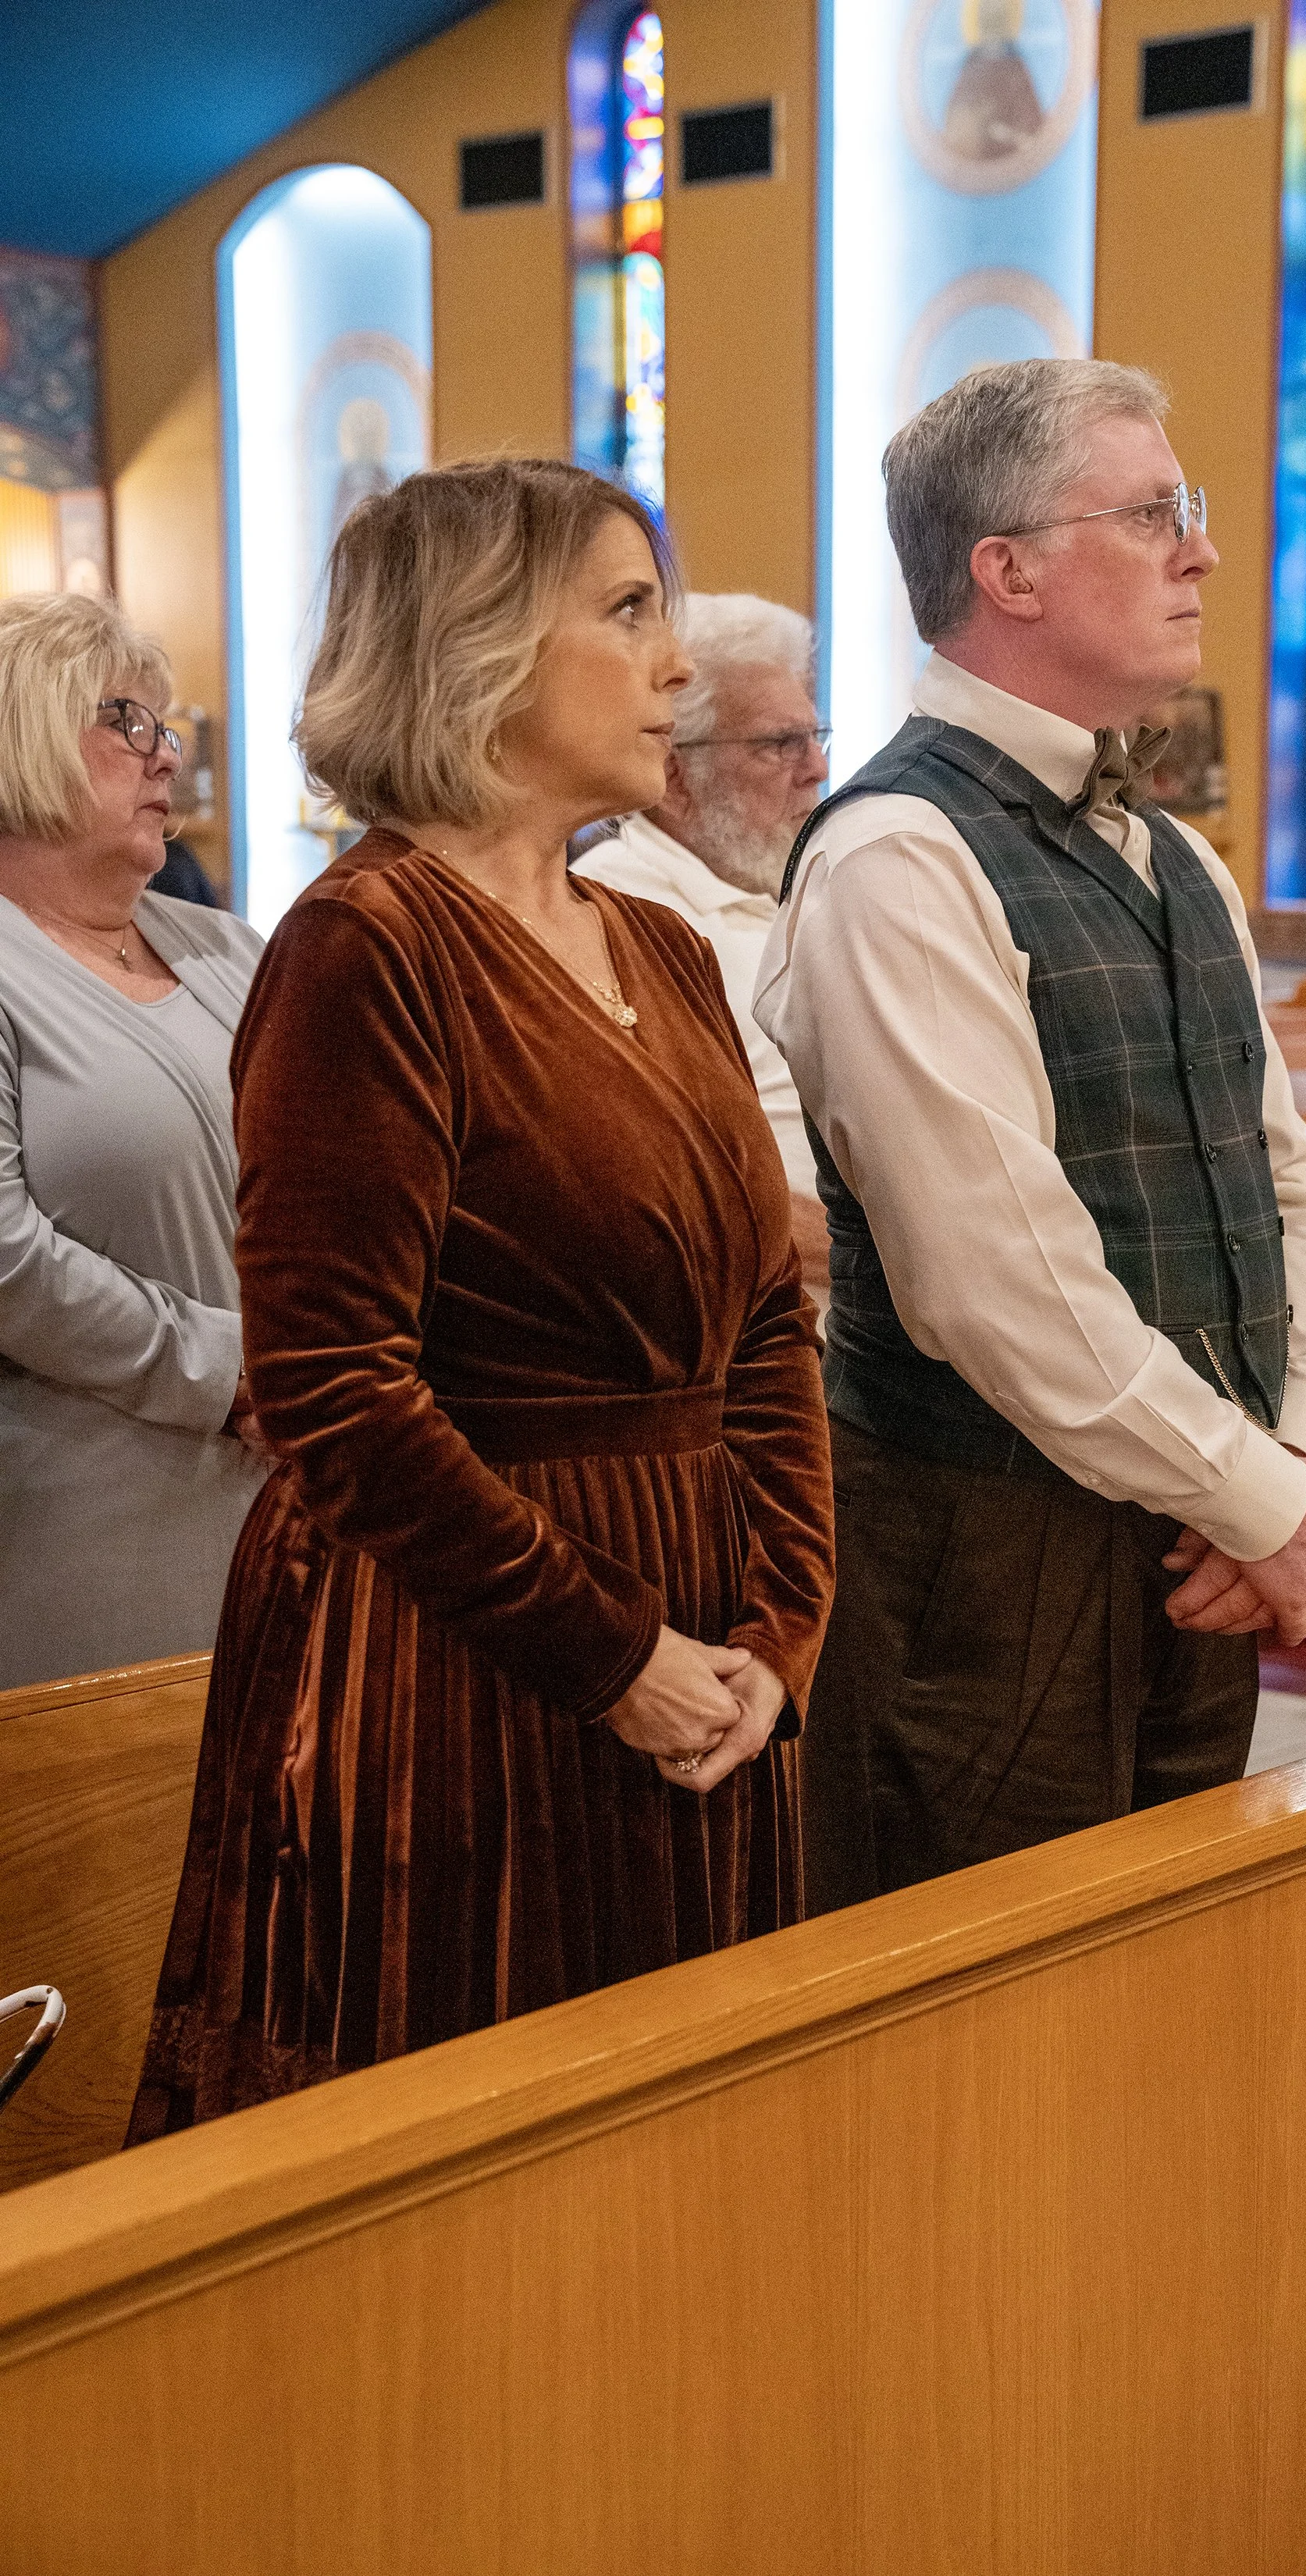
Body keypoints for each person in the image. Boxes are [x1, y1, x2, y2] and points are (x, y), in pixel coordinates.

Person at [129, 460, 835, 2137]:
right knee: (468, 2163)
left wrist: (775, 1635)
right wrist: (611, 1659)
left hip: (702, 1640)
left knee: (683, 2141)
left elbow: (758, 1327)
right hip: (464, 1658)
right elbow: (335, 1392)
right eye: (628, 609)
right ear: (481, 650)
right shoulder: (366, 946)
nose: (673, 665)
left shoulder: (657, 949)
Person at [756, 358, 1306, 1910]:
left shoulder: (1168, 854)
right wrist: (1259, 1498)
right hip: (987, 1563)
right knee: (971, 2031)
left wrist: (1295, 1456)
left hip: (1186, 1541)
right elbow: (990, 1282)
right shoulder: (896, 856)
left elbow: (1280, 1179)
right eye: (1155, 512)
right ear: (1005, 569)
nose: (1200, 552)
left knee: (1149, 1985)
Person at [0, 592, 269, 1689]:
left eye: (168, 729)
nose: (166, 759)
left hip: (313, 1474)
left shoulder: (227, 947)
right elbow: (7, 1256)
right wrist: (228, 1370)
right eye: (128, 723)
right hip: (93, 1517)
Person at [575, 592, 830, 1288]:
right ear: (676, 775)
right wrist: (894, 1264)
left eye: (816, 737)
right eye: (779, 744)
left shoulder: (791, 885)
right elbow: (669, 1192)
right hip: (781, 1339)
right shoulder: (619, 912)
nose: (817, 769)